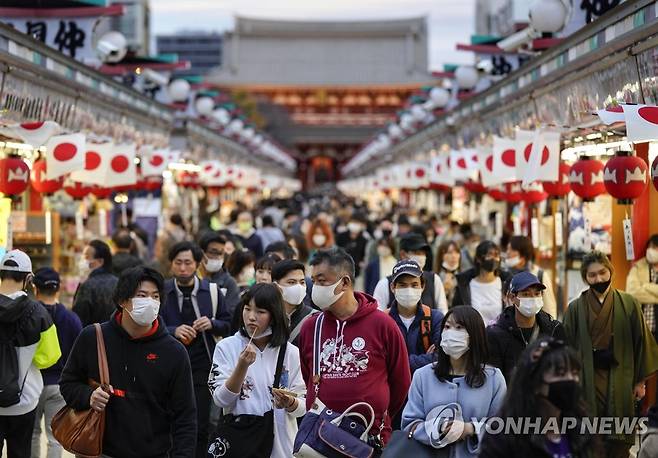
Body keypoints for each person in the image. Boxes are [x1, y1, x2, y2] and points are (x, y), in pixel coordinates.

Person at [60, 266, 196, 458]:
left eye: (155, 297)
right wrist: (88, 396)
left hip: (154, 453)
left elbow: (185, 415)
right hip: (99, 451)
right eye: (142, 295)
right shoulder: (93, 337)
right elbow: (68, 383)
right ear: (123, 300)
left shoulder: (174, 351)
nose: (150, 302)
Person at [298, 247, 411, 446]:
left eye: (322, 281)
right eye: (313, 281)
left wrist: (380, 415)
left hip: (368, 437)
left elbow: (401, 382)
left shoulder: (382, 324)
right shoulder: (311, 327)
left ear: (345, 283)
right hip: (320, 438)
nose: (314, 287)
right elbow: (309, 375)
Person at [563, 250, 658, 458]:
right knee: (589, 442)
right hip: (586, 381)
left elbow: (641, 342)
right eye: (592, 275)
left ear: (611, 271)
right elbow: (565, 348)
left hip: (621, 379)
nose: (598, 279)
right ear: (585, 278)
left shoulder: (628, 303)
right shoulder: (575, 309)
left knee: (618, 443)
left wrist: (639, 382)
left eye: (602, 272)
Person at [208, 283, 306, 458]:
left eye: (260, 312)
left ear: (274, 315)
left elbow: (303, 406)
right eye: (247, 309)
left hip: (281, 448)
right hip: (239, 443)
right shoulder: (227, 347)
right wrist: (242, 367)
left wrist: (290, 403)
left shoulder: (291, 353)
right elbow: (221, 400)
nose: (251, 317)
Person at [401, 306, 506, 457]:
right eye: (447, 327)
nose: (451, 333)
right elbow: (409, 425)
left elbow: (501, 427)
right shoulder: (422, 376)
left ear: (474, 335)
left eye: (459, 328)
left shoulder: (494, 379)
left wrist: (470, 429)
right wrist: (436, 428)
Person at [161, 241, 232, 458]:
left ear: (197, 264)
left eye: (188, 263)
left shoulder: (211, 291)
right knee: (169, 421)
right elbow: (151, 323)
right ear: (171, 264)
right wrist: (173, 330)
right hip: (167, 366)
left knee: (200, 422)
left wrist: (212, 323)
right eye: (178, 263)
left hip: (202, 365)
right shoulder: (162, 291)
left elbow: (228, 322)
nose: (183, 268)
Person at [479, 338, 597, 458]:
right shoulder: (504, 436)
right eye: (560, 373)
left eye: (575, 373)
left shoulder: (581, 430)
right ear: (535, 383)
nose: (571, 379)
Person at [0, 250, 61, 458]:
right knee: (20, 452)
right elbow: (50, 357)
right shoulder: (39, 313)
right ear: (28, 279)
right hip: (24, 400)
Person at [30, 268, 82, 458]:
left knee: (33, 434)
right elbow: (80, 354)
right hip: (59, 384)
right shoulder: (71, 318)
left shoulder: (29, 316)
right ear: (58, 288)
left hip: (32, 383)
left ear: (35, 288)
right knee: (54, 437)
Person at [487, 271, 565, 384]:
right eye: (526, 294)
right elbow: (493, 381)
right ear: (512, 297)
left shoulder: (554, 329)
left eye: (537, 293)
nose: (532, 298)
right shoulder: (495, 333)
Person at [387, 259, 443, 373]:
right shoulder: (382, 320)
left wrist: (395, 362)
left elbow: (441, 357)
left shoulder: (435, 318)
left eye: (414, 285)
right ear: (393, 287)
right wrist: (426, 359)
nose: (409, 290)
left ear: (422, 286)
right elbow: (377, 360)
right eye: (402, 285)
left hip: (425, 388)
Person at [373, 232, 448, 313]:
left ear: (422, 286)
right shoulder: (384, 284)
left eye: (423, 253)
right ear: (402, 254)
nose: (421, 256)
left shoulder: (434, 280)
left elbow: (443, 312)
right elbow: (377, 317)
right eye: (416, 252)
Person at [452, 241, 511, 326]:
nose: (493, 259)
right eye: (489, 255)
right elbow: (457, 313)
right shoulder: (465, 285)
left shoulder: (505, 284)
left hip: (500, 336)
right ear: (479, 259)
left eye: (496, 255)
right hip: (474, 336)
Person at [503, 235, 557, 318]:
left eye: (511, 250)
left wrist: (550, 328)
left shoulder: (539, 275)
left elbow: (550, 308)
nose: (507, 253)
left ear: (522, 254)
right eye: (507, 249)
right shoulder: (505, 275)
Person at [271, 260, 318, 346]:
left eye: (302, 282)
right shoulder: (267, 316)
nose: (298, 287)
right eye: (291, 282)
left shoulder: (315, 319)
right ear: (276, 286)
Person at [72, 239, 118, 327]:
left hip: (93, 336)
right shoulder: (118, 282)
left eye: (86, 257)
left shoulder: (87, 286)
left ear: (100, 261)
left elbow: (78, 318)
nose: (82, 261)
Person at [198, 231, 241, 319]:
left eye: (220, 253)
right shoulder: (190, 278)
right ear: (202, 253)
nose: (217, 257)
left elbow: (231, 315)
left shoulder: (229, 282)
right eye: (213, 252)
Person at [626, 234, 658, 341]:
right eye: (650, 247)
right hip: (641, 329)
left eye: (654, 248)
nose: (650, 250)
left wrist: (645, 286)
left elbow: (639, 290)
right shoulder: (637, 267)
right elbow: (632, 293)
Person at [435, 240, 462, 305]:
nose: (454, 256)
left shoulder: (463, 277)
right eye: (449, 252)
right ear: (441, 256)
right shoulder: (435, 277)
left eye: (457, 252)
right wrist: (444, 290)